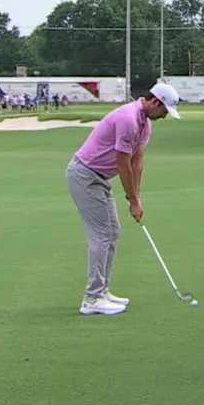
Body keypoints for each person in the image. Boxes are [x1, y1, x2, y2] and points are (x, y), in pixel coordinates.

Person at [65, 81, 181, 316]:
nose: (164, 116)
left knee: (113, 232)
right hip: (85, 175)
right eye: (164, 111)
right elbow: (122, 163)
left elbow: (137, 162)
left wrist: (136, 198)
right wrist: (132, 199)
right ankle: (92, 298)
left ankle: (102, 291)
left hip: (99, 179)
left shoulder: (145, 124)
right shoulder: (128, 119)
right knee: (101, 236)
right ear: (155, 102)